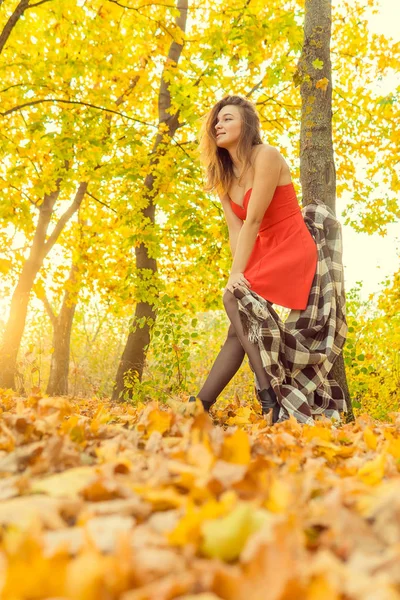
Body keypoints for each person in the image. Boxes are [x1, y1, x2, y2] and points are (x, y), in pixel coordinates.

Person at [190, 95, 347, 424]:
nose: (218, 124)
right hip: (262, 251)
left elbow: (254, 219)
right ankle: (202, 406)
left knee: (232, 297)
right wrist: (240, 272)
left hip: (292, 248)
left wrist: (236, 279)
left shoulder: (267, 156)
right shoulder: (223, 175)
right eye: (216, 121)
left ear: (246, 124)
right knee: (239, 323)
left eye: (228, 118)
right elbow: (236, 229)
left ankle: (270, 397)